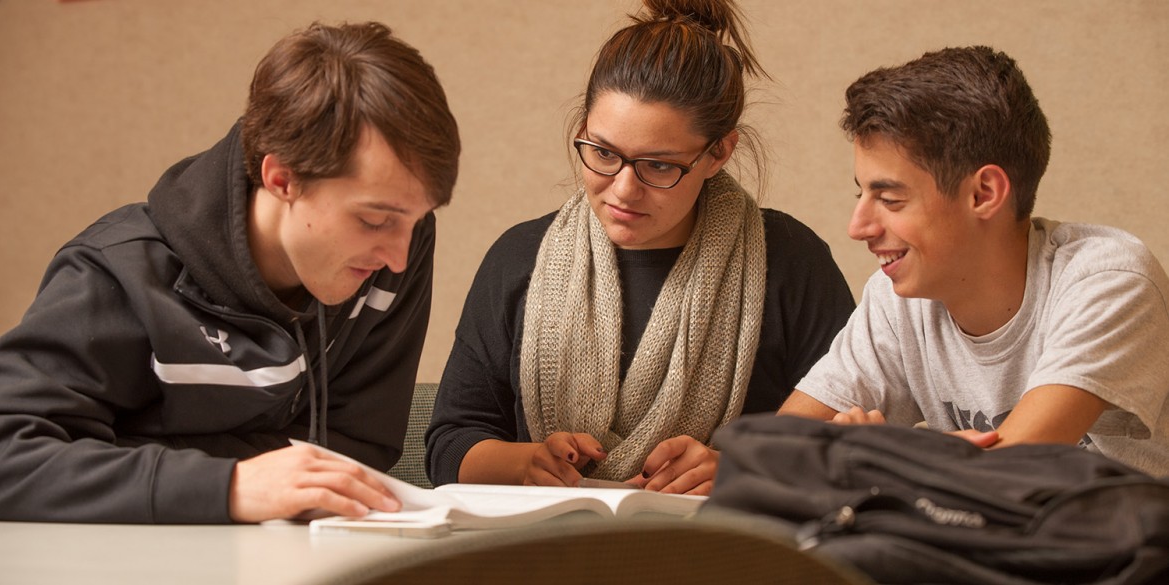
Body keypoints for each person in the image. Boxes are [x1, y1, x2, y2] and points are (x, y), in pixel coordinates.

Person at [0, 21, 461, 523]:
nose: (397, 257)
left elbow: (352, 454)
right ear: (281, 177)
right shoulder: (118, 271)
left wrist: (141, 450)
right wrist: (230, 486)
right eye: (374, 220)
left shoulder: (397, 251)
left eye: (414, 221)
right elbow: (10, 454)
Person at [426, 0, 855, 495]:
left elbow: (851, 444)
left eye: (658, 166)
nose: (623, 190)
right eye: (603, 153)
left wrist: (741, 467)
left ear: (719, 152)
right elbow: (448, 446)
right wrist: (524, 464)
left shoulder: (790, 262)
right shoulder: (519, 257)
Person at [779, 46, 1169, 476]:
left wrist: (879, 453)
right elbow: (780, 447)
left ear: (984, 194)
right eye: (862, 194)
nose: (858, 227)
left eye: (889, 199)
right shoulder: (896, 300)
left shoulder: (1109, 281)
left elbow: (1005, 472)